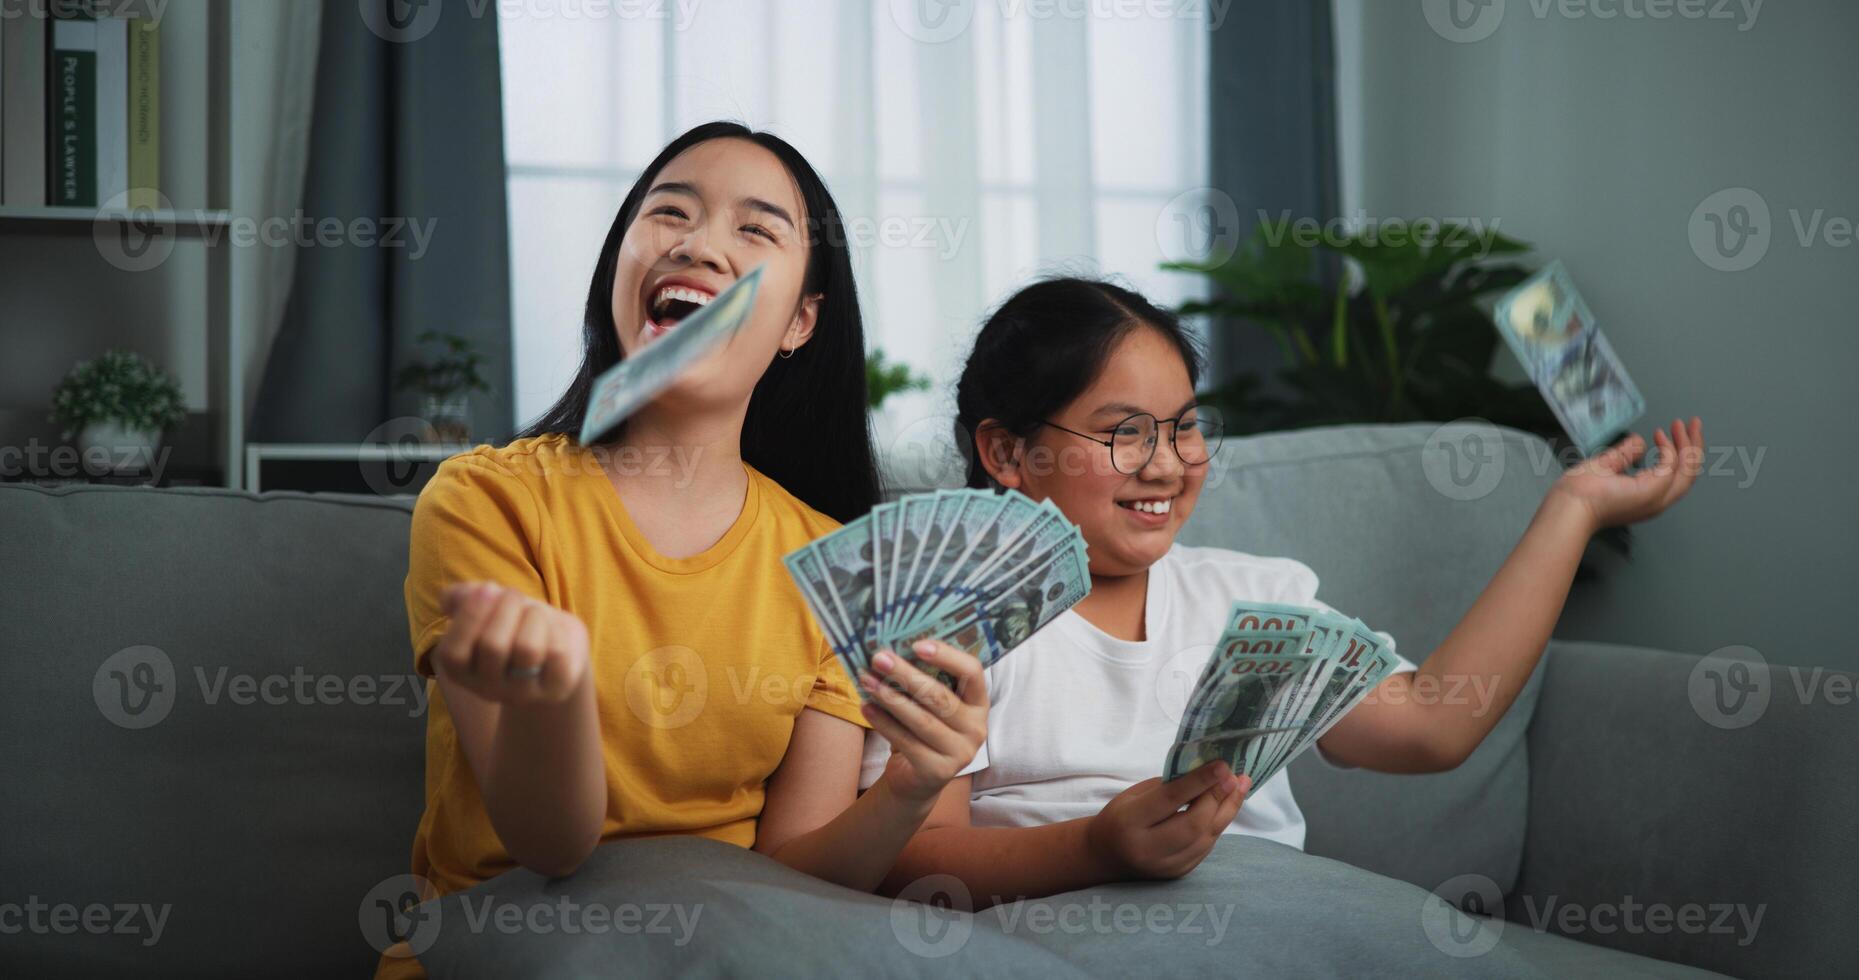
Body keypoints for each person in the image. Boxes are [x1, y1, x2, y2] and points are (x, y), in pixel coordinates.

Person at [863, 276, 1704, 906]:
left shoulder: (1253, 597)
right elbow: (911, 852)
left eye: (1185, 426)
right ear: (1006, 454)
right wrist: (1093, 847)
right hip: (1054, 933)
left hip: (1273, 922)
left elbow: (1433, 724)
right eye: (1124, 433)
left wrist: (1572, 509)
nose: (1166, 462)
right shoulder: (947, 619)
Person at [377, 123, 988, 977]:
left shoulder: (835, 562)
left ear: (800, 322)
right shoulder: (486, 502)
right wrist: (546, 711)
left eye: (755, 229)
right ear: (620, 267)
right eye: (670, 213)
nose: (699, 244)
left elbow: (792, 879)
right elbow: (549, 850)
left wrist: (911, 788)